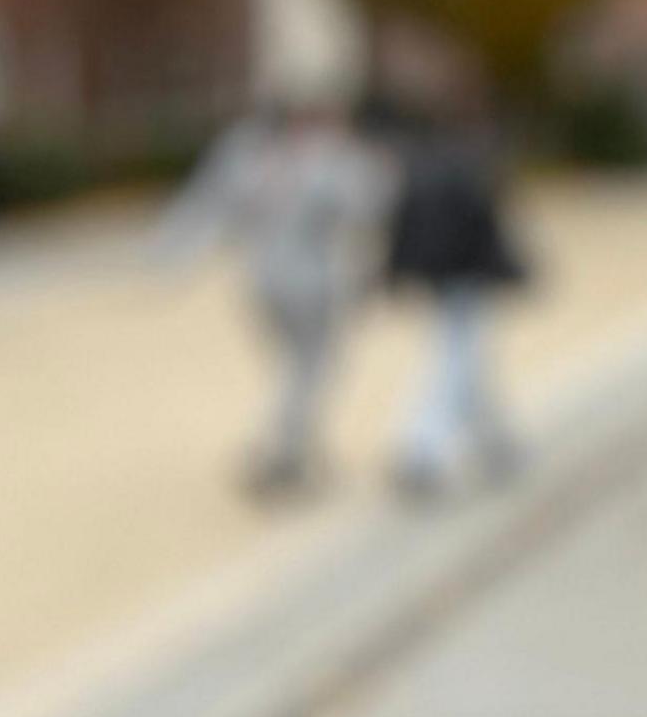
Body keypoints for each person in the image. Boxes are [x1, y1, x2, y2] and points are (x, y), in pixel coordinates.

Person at [156, 91, 394, 500]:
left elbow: (208, 208)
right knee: (313, 366)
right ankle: (283, 452)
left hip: (260, 279)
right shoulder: (325, 158)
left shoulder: (247, 159)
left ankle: (296, 445)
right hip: (311, 279)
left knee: (296, 367)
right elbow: (369, 207)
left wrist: (173, 258)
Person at [376, 95, 530, 497]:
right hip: (464, 280)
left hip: (440, 280)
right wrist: (511, 270)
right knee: (456, 363)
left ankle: (496, 443)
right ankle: (422, 449)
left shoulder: (422, 169)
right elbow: (487, 232)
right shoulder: (471, 172)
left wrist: (394, 274)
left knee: (471, 363)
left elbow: (401, 228)